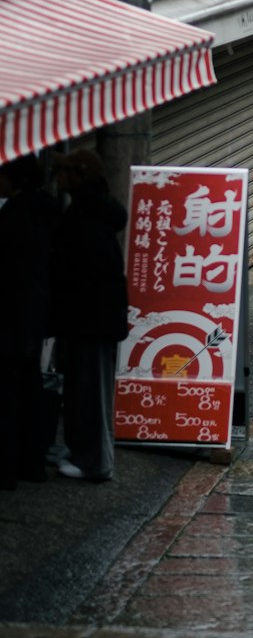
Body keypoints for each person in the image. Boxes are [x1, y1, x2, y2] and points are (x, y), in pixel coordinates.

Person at [50, 149, 128, 482]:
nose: (58, 178)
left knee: (92, 391)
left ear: (78, 175)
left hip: (91, 320)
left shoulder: (87, 219)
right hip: (90, 318)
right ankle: (83, 451)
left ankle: (96, 463)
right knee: (83, 389)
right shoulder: (93, 211)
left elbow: (90, 276)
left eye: (64, 172)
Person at [0, 155, 55, 489]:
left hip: (10, 319)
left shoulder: (12, 218)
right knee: (30, 389)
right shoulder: (48, 211)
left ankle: (6, 469)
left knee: (7, 395)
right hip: (35, 317)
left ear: (14, 180)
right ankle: (32, 463)